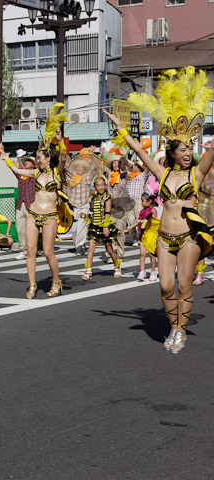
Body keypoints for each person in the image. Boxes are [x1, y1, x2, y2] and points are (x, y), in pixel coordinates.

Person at [103, 66, 214, 354]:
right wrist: (120, 128)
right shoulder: (162, 174)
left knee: (185, 286)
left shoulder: (197, 175)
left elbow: (212, 151)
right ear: (172, 152)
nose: (189, 153)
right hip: (164, 237)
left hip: (189, 237)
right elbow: (139, 152)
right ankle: (173, 323)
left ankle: (179, 330)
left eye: (191, 148)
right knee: (166, 287)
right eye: (184, 149)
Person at [0, 134, 70, 299]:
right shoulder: (35, 173)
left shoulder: (57, 173)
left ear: (48, 159)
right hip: (33, 213)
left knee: (48, 251)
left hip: (50, 215)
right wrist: (4, 154)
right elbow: (16, 169)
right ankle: (32, 285)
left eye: (39, 158)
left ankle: (56, 282)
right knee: (30, 251)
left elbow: (64, 157)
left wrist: (60, 140)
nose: (37, 160)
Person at [80, 177, 121, 280]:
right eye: (98, 185)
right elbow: (93, 215)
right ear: (95, 187)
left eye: (102, 185)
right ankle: (88, 271)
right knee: (91, 248)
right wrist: (85, 216)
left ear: (105, 186)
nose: (101, 187)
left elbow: (107, 214)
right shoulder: (93, 199)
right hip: (94, 226)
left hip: (104, 227)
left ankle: (117, 267)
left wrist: (106, 227)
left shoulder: (107, 198)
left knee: (110, 250)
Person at [124, 192, 159, 282]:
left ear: (150, 201)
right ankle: (142, 271)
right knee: (142, 254)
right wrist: (130, 227)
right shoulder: (142, 211)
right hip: (142, 235)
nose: (141, 203)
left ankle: (153, 271)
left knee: (151, 254)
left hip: (150, 235)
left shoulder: (153, 210)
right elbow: (137, 222)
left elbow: (151, 220)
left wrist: (140, 221)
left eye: (142, 201)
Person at [10, 155, 37, 260]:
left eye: (29, 162)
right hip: (20, 204)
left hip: (31, 204)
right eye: (25, 162)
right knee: (20, 227)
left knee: (32, 229)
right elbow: (14, 170)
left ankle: (32, 250)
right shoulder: (21, 175)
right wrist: (9, 162)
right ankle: (23, 250)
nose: (26, 163)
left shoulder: (35, 174)